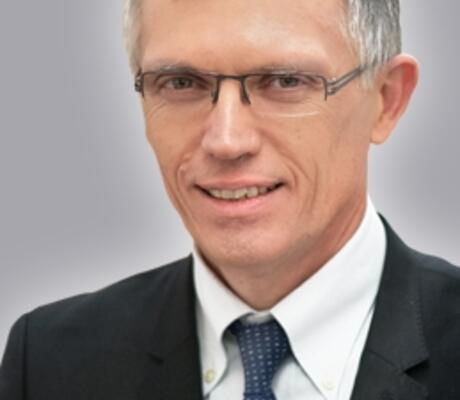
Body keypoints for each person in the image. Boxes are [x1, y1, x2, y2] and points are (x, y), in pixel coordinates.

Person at [1, 0, 459, 398]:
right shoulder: (50, 362)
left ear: (386, 99)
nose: (226, 140)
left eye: (284, 81)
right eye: (181, 83)